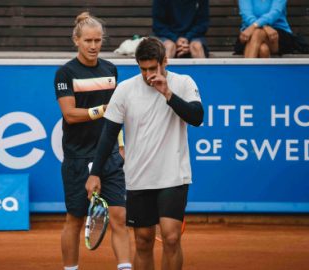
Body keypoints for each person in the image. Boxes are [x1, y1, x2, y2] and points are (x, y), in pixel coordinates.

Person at [86, 37, 204, 270]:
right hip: (139, 177)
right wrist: (95, 173)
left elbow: (197, 117)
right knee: (143, 241)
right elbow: (108, 135)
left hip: (174, 175)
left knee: (171, 237)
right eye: (143, 69)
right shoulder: (125, 90)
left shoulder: (183, 83)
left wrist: (167, 93)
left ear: (165, 62)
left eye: (153, 68)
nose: (148, 74)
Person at [53, 12, 132, 270]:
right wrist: (102, 110)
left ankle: (125, 267)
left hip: (108, 156)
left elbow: (117, 116)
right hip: (77, 158)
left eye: (98, 40)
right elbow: (69, 114)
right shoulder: (65, 73)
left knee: (119, 216)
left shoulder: (110, 70)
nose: (94, 45)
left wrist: (119, 145)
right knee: (74, 220)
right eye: (88, 40)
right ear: (76, 40)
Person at [234, 0, 309, 57]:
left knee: (257, 33)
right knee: (263, 49)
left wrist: (255, 26)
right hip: (248, 34)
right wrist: (264, 26)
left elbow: (275, 12)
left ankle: (247, 76)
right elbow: (247, 14)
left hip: (278, 34)